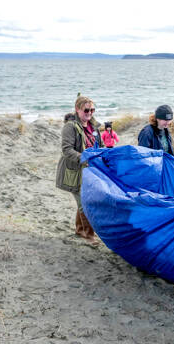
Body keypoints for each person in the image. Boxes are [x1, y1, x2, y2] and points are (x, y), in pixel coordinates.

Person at [56, 95, 104, 244]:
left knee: (83, 200)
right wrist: (85, 158)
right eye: (86, 110)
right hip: (74, 171)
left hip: (90, 171)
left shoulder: (94, 126)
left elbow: (100, 146)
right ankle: (89, 236)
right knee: (85, 202)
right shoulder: (70, 127)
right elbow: (66, 150)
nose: (90, 113)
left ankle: (79, 230)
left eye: (92, 110)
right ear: (77, 109)